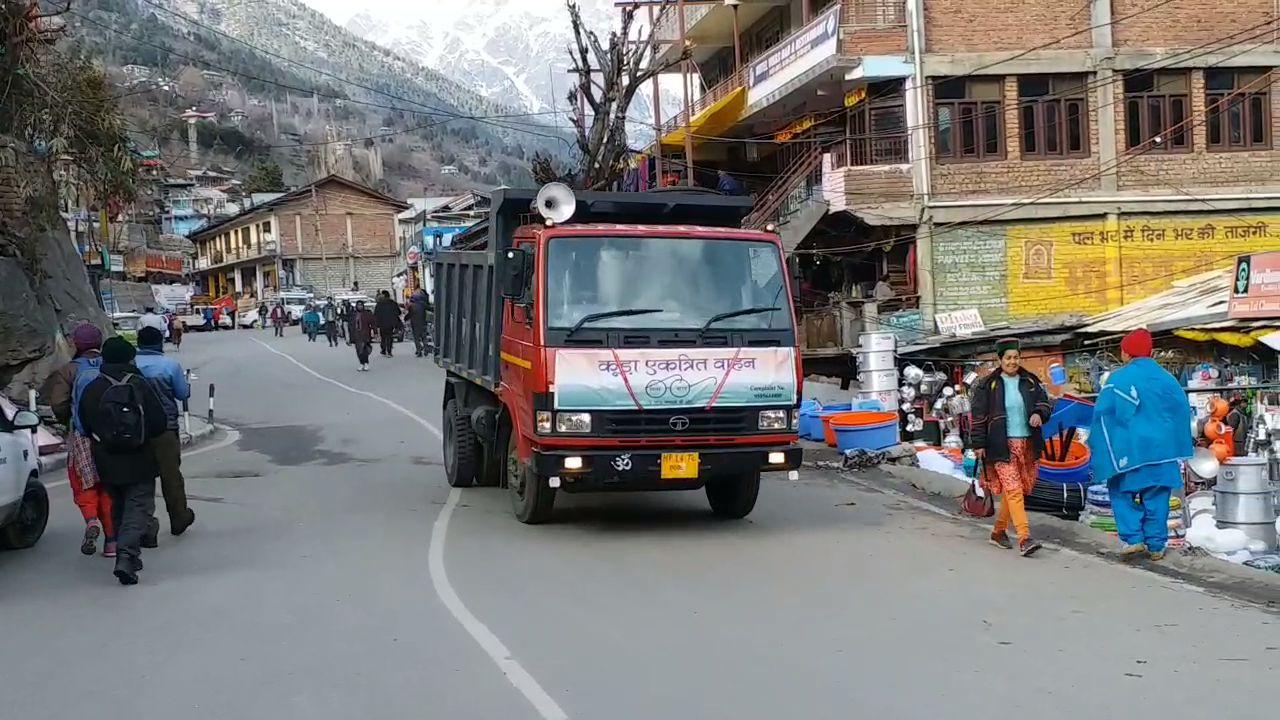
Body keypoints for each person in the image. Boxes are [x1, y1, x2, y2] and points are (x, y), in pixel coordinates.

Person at [1087, 329, 1193, 561]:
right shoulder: (1169, 380)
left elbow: (1103, 415)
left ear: (1125, 354)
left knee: (1120, 492)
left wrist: (1097, 444)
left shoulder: (1117, 380)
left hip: (1130, 452)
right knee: (1157, 497)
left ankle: (1134, 539)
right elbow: (1182, 413)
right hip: (1163, 453)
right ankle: (1156, 546)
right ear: (1150, 352)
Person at [77, 337, 169, 585]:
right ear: (130, 358)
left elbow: (83, 427)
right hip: (140, 458)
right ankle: (127, 556)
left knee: (117, 506)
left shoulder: (92, 388)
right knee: (138, 507)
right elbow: (160, 423)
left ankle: (124, 550)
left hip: (106, 460)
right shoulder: (140, 385)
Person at [970, 338, 1050, 557]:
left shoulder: (1030, 381)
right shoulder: (988, 385)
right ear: (1000, 359)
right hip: (1000, 445)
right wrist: (978, 444)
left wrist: (1038, 414)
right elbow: (977, 417)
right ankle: (1025, 538)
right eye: (1008, 357)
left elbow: (1044, 403)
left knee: (1016, 489)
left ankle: (998, 532)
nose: (1013, 361)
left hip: (1027, 444)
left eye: (1016, 357)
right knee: (1014, 490)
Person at [44, 324, 115, 558]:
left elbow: (59, 404)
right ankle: (112, 542)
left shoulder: (69, 371)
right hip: (110, 437)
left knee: (84, 483)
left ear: (76, 344)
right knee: (108, 486)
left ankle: (91, 519)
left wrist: (69, 423)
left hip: (82, 436)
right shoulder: (109, 365)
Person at [134, 327, 196, 538]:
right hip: (165, 428)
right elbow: (182, 393)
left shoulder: (131, 365)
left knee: (141, 479)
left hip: (136, 430)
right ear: (160, 343)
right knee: (171, 476)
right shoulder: (170, 366)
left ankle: (145, 525)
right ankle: (178, 516)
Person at [405, 288, 431, 357]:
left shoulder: (412, 306)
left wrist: (405, 318)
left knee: (416, 338)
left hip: (414, 324)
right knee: (424, 337)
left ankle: (419, 351)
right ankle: (426, 349)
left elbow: (409, 315)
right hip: (423, 322)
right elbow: (430, 308)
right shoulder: (423, 304)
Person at [373, 290, 400, 357]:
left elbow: (376, 314)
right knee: (389, 337)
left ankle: (384, 349)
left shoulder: (379, 304)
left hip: (382, 323)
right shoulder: (393, 303)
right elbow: (398, 312)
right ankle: (389, 350)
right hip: (391, 323)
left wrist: (376, 323)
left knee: (383, 337)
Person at [352, 300, 375, 371]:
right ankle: (361, 363)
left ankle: (366, 363)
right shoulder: (354, 314)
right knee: (358, 350)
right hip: (356, 334)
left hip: (365, 334)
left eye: (361, 305)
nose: (360, 306)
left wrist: (375, 332)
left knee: (364, 350)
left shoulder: (367, 314)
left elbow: (373, 323)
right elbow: (351, 325)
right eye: (358, 305)